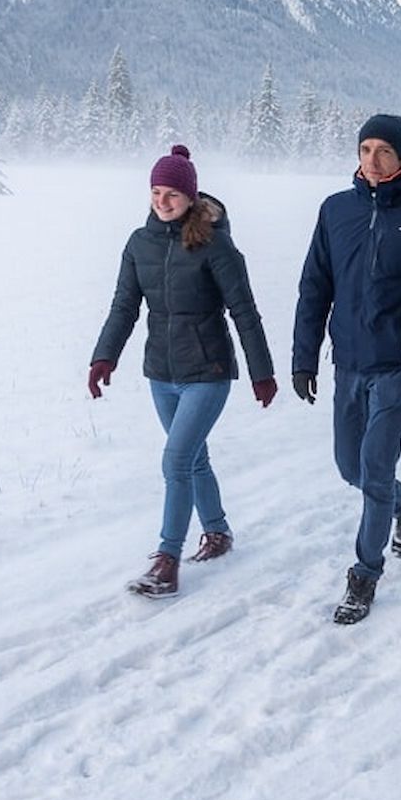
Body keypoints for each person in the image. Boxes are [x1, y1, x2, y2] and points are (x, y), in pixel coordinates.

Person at [291, 113, 401, 625]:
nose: (372, 159)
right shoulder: (335, 210)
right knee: (351, 466)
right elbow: (314, 288)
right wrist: (304, 357)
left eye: (383, 150)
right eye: (365, 149)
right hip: (349, 363)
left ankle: (363, 575)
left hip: (400, 366)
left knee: (374, 474)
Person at [89, 145, 277, 598]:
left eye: (172, 193)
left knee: (176, 460)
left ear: (190, 196)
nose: (162, 201)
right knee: (193, 458)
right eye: (156, 191)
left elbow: (244, 311)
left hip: (207, 371)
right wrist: (104, 356)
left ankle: (166, 560)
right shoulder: (139, 243)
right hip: (161, 371)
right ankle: (217, 532)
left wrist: (261, 371)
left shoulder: (216, 245)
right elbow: (124, 306)